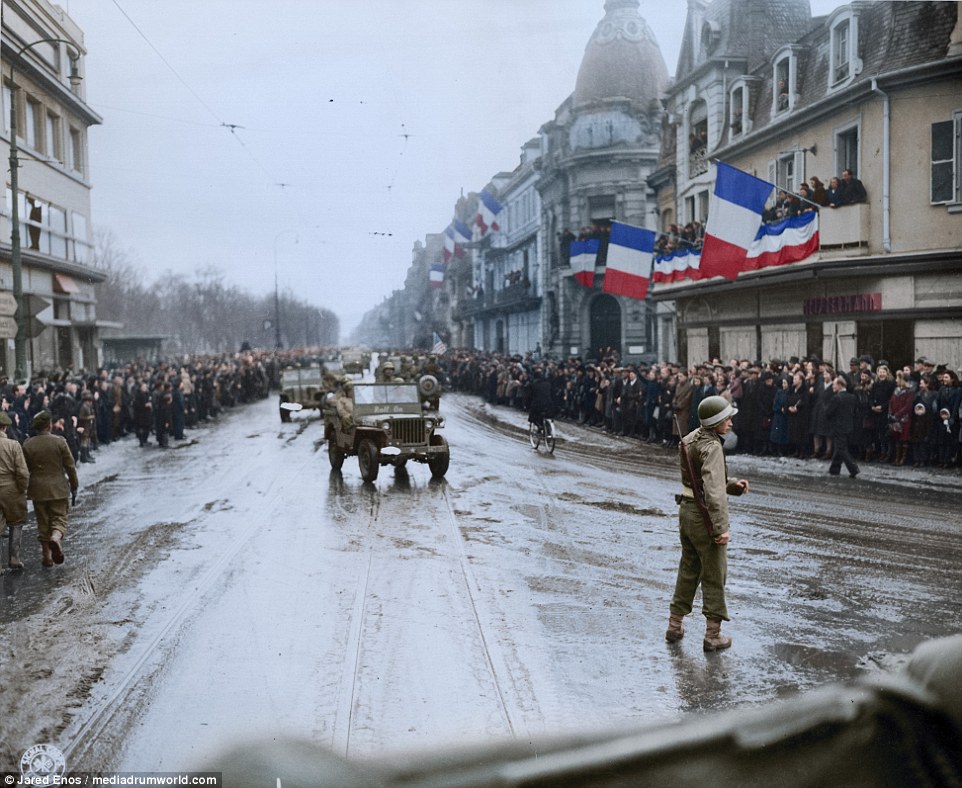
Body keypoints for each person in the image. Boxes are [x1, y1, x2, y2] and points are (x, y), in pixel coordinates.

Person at [666, 395, 749, 651]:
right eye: (727, 418)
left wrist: (732, 486)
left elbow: (701, 481)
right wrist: (721, 528)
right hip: (704, 517)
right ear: (716, 422)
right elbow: (713, 493)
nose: (731, 423)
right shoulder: (713, 447)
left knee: (688, 569)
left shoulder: (690, 438)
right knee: (714, 574)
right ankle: (713, 635)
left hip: (687, 512)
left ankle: (675, 624)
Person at [23, 410, 78, 567]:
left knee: (42, 521)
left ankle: (46, 556)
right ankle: (56, 537)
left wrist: (24, 489)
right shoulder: (60, 442)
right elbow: (70, 466)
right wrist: (74, 485)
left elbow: (24, 468)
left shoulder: (28, 444)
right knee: (59, 518)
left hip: (37, 490)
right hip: (58, 489)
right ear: (49, 426)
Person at [0, 411, 30, 570]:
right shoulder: (13, 445)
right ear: (4, 427)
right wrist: (22, 488)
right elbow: (23, 472)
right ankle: (14, 558)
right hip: (11, 488)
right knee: (17, 522)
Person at [825, 376, 860, 478]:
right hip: (849, 427)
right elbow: (855, 413)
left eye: (834, 385)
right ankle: (834, 469)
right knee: (839, 448)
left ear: (840, 385)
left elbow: (828, 413)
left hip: (838, 427)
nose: (832, 387)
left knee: (841, 449)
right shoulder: (852, 397)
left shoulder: (836, 398)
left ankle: (853, 468)